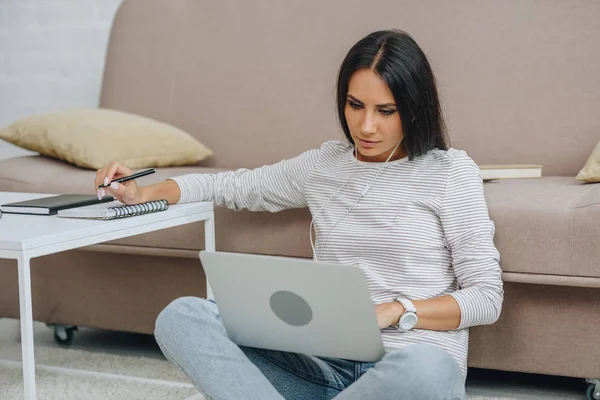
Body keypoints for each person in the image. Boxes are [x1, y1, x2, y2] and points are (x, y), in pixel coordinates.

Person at [94, 29, 503, 400]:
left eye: (386, 111)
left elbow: (486, 297)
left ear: (413, 109)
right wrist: (146, 191)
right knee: (181, 316)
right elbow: (232, 186)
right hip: (323, 369)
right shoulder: (326, 165)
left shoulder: (449, 172)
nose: (366, 126)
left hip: (407, 370)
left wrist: (397, 309)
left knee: (430, 369)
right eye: (355, 105)